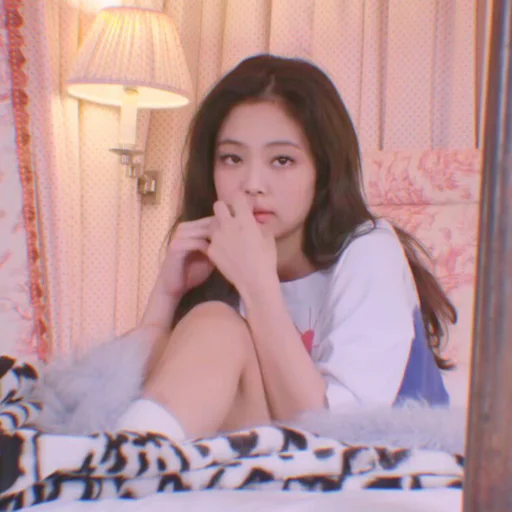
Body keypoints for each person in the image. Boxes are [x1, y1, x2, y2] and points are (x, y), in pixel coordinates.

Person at [116, 55, 456, 442]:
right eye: (232, 158)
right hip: (270, 449)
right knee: (204, 327)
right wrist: (167, 293)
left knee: (217, 323)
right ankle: (130, 455)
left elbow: (331, 433)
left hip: (378, 456)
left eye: (282, 160)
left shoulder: (370, 250)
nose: (253, 183)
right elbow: (138, 386)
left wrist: (258, 287)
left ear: (323, 171)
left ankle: (130, 459)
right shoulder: (223, 260)